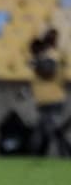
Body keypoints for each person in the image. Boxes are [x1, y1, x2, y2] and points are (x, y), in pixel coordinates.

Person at [29, 28, 71, 156]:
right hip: (47, 99)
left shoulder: (51, 55)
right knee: (47, 130)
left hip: (53, 99)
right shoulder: (51, 55)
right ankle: (40, 158)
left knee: (53, 130)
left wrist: (37, 63)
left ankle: (66, 154)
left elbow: (48, 73)